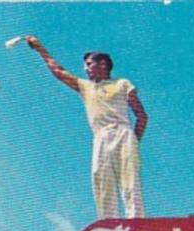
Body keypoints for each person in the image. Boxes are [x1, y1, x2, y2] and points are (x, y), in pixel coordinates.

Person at [26, 37, 148, 219]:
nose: (86, 69)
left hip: (123, 133)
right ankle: (109, 225)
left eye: (89, 64)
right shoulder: (86, 87)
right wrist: (39, 48)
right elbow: (58, 71)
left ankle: (137, 221)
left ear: (103, 64)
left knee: (130, 181)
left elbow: (142, 116)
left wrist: (133, 141)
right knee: (102, 181)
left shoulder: (122, 84)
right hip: (100, 136)